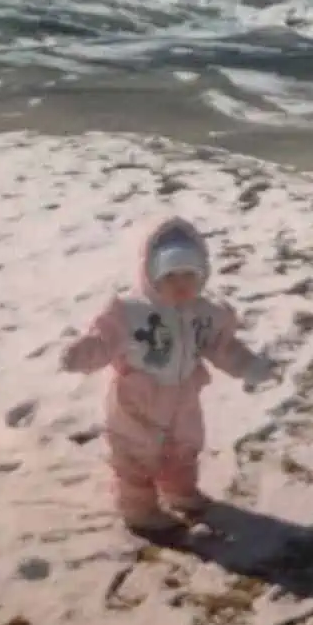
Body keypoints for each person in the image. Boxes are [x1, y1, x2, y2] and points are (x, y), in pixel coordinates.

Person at [60, 216, 278, 533]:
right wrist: (83, 353)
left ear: (202, 274)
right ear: (152, 274)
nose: (181, 283)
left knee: (184, 446)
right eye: (170, 275)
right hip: (138, 397)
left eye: (189, 275)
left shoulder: (204, 314)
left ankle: (180, 491)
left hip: (183, 395)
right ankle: (139, 509)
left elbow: (222, 347)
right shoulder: (130, 312)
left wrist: (250, 366)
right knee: (136, 453)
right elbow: (106, 340)